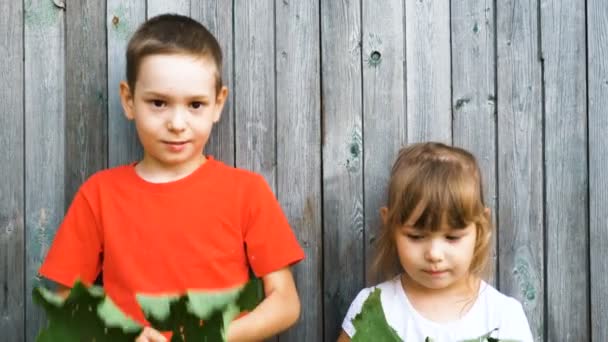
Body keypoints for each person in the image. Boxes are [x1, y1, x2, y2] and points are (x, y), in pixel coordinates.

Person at [39, 14, 304, 342]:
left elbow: (286, 302)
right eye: (159, 103)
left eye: (195, 104)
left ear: (218, 104)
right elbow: (66, 305)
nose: (177, 123)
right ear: (129, 100)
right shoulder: (99, 195)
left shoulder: (246, 192)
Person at [338, 142, 534, 342]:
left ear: (480, 227)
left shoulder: (503, 319)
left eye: (452, 237)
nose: (434, 254)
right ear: (389, 224)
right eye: (416, 236)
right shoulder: (372, 309)